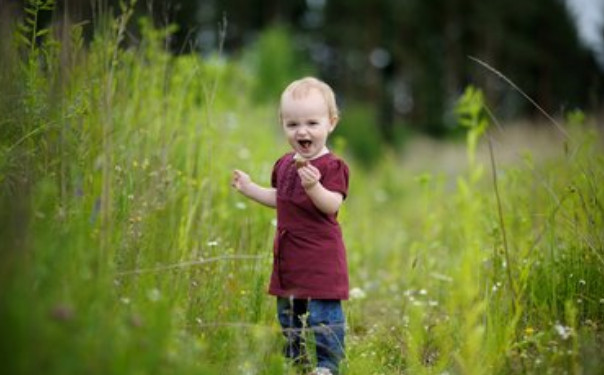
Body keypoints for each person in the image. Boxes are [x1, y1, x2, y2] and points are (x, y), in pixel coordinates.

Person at [231, 77, 350, 375]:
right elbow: (281, 198)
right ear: (283, 124)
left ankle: (327, 365)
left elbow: (332, 204)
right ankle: (295, 358)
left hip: (321, 255)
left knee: (324, 313)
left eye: (312, 122)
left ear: (331, 123)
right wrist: (250, 189)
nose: (302, 131)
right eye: (293, 124)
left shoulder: (331, 167)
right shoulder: (284, 164)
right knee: (288, 312)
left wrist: (314, 188)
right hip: (289, 253)